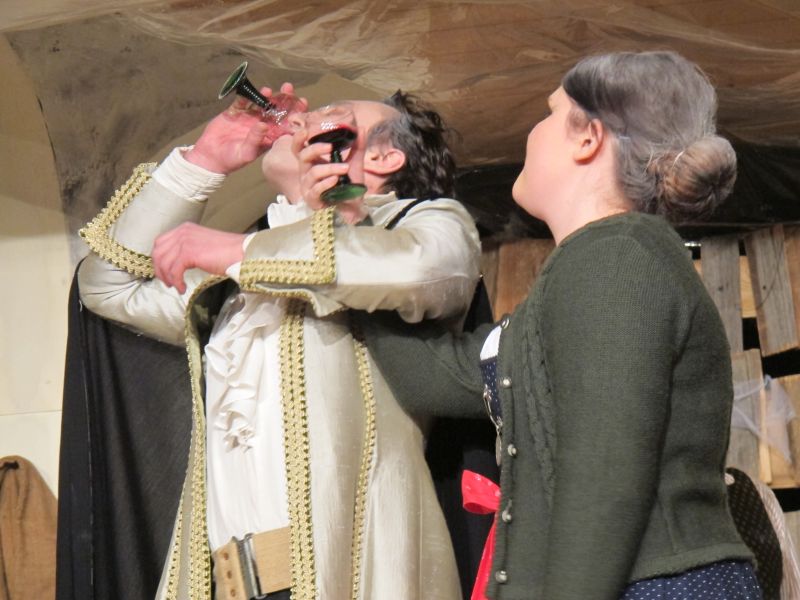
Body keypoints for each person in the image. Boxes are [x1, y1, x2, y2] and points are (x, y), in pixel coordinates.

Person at [359, 51, 761, 600]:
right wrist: (352, 236)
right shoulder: (590, 268)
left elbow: (604, 479)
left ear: (587, 138)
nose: (534, 131)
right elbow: (437, 375)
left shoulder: (617, 259)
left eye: (549, 113)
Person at [77, 82, 482, 600]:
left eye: (331, 115)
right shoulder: (232, 286)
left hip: (344, 577)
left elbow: (420, 270)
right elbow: (107, 285)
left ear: (383, 157)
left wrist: (239, 250)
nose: (299, 117)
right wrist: (202, 163)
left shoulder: (418, 224)